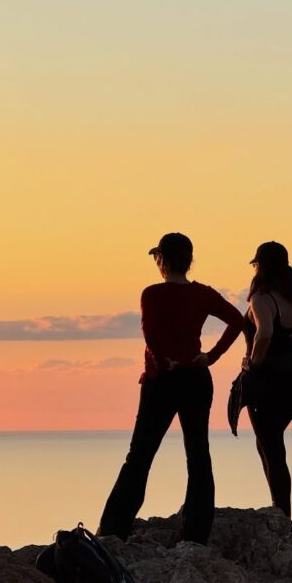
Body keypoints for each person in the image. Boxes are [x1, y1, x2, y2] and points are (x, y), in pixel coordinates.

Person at [98, 233, 245, 544]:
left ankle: (113, 530)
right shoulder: (203, 294)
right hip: (195, 379)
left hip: (162, 381)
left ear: (161, 260)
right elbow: (237, 321)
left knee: (139, 456)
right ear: (189, 261)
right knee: (198, 454)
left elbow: (150, 335)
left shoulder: (151, 294)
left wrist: (167, 362)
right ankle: (196, 534)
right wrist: (210, 357)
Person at [241, 241, 292, 518]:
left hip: (266, 380)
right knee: (271, 444)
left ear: (260, 267)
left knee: (271, 448)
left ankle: (281, 514)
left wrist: (252, 364)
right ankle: (280, 508)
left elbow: (265, 333)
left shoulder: (261, 299)